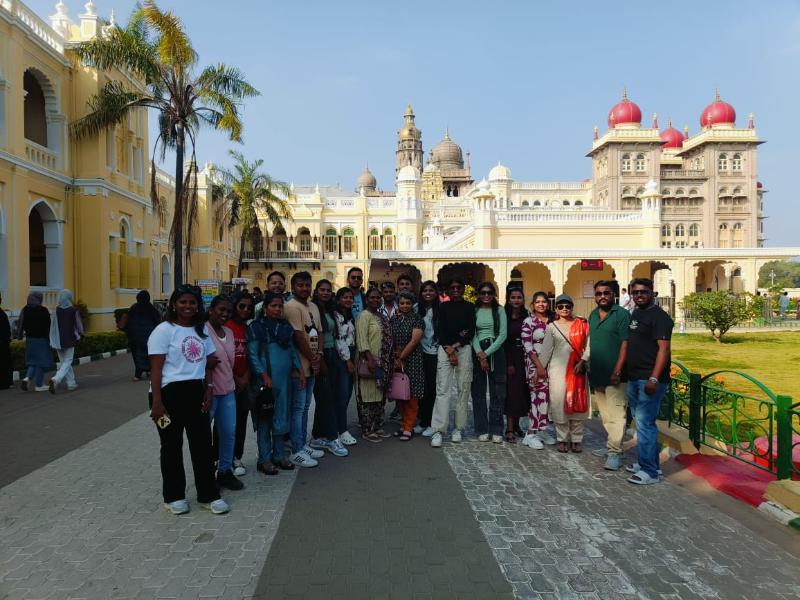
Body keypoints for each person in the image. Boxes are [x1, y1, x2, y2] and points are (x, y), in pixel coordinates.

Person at [148, 285, 229, 515]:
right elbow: (156, 368)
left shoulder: (201, 331)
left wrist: (209, 389)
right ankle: (173, 496)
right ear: (174, 304)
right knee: (171, 447)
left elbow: (211, 362)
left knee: (202, 445)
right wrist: (157, 401)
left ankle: (208, 494)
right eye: (183, 302)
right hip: (168, 393)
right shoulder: (164, 330)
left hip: (196, 391)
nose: (188, 306)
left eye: (192, 303)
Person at [247, 292, 303, 475]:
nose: (277, 309)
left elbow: (292, 351)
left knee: (281, 420)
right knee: (265, 421)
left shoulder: (285, 327)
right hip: (267, 384)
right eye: (273, 306)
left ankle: (279, 456)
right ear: (265, 308)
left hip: (285, 383)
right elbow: (253, 355)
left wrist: (300, 370)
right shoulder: (257, 328)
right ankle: (264, 459)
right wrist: (264, 376)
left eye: (280, 306)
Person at [625, 278, 673, 485]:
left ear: (652, 292)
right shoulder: (636, 312)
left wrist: (654, 377)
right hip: (634, 376)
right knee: (641, 421)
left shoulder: (659, 317)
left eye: (643, 292)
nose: (639, 295)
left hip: (650, 379)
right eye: (635, 292)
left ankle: (650, 472)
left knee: (645, 423)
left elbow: (663, 349)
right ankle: (649, 464)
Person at [587, 281, 631, 471]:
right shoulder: (593, 315)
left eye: (606, 293)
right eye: (599, 293)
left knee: (617, 415)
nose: (602, 296)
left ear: (613, 294)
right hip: (597, 373)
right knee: (605, 415)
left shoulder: (621, 314)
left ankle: (614, 453)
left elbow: (625, 344)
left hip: (616, 375)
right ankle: (611, 446)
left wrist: (618, 370)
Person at [538, 294, 589, 453]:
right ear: (556, 309)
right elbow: (546, 351)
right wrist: (540, 370)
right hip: (558, 372)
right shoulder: (552, 327)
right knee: (560, 404)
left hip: (578, 370)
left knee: (578, 403)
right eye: (561, 306)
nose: (565, 309)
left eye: (568, 306)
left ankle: (576, 439)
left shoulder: (582, 324)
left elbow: (589, 346)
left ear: (572, 307)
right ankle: (561, 438)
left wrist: (583, 361)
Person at [283, 271, 325, 467]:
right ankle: (296, 450)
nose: (304, 288)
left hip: (312, 364)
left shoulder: (313, 306)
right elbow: (299, 337)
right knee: (297, 409)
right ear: (293, 287)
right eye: (300, 285)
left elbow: (320, 332)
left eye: (307, 285)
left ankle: (302, 442)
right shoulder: (291, 307)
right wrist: (312, 358)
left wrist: (319, 356)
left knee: (306, 406)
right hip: (299, 367)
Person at [430, 278, 475, 448]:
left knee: (463, 389)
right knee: (442, 389)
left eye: (458, 287)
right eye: (452, 287)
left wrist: (456, 346)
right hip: (444, 349)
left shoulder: (469, 307)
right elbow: (440, 329)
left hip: (463, 349)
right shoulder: (443, 307)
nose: (455, 289)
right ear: (448, 290)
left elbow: (470, 329)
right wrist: (449, 349)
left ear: (463, 289)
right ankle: (439, 430)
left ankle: (458, 428)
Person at [205, 295, 244, 490]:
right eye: (221, 309)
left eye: (228, 311)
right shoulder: (202, 331)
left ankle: (225, 471)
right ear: (211, 309)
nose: (224, 314)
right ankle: (205, 474)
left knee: (228, 432)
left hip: (228, 390)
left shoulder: (228, 331)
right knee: (203, 435)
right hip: (208, 392)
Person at [308, 280, 349, 457]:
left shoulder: (330, 309)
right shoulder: (312, 309)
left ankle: (318, 435)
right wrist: (319, 358)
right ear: (316, 291)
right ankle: (333, 438)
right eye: (321, 290)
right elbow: (313, 336)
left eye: (328, 290)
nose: (325, 293)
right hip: (321, 356)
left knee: (328, 396)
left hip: (333, 354)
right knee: (326, 397)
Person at [472, 282, 508, 443]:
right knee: (478, 392)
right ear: (479, 294)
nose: (486, 296)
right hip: (478, 350)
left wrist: (486, 354)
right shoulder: (475, 310)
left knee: (497, 393)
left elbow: (502, 335)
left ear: (494, 294)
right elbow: (472, 334)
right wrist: (480, 355)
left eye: (489, 292)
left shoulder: (499, 310)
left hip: (495, 351)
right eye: (483, 292)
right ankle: (481, 428)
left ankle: (496, 429)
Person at [355, 287, 393, 442]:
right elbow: (362, 339)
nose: (376, 300)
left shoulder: (382, 316)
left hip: (383, 362)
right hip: (369, 360)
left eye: (378, 298)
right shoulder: (364, 316)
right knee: (367, 396)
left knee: (379, 397)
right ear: (366, 299)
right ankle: (367, 429)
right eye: (372, 297)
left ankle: (377, 427)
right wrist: (370, 359)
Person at [520, 291, 555, 449]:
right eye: (538, 302)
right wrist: (539, 366)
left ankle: (541, 430)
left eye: (544, 301)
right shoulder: (529, 321)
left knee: (546, 400)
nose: (541, 304)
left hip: (552, 366)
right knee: (536, 398)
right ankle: (530, 434)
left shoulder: (553, 320)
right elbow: (527, 346)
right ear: (533, 304)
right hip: (535, 366)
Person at [390, 291, 424, 440]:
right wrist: (395, 357)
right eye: (402, 303)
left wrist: (401, 357)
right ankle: (403, 425)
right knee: (400, 393)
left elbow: (414, 341)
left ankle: (409, 427)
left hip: (412, 360)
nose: (405, 305)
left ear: (413, 304)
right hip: (396, 358)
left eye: (408, 303)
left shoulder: (417, 319)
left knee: (412, 395)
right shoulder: (395, 319)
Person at [226, 292, 253, 476]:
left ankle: (236, 457)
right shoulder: (225, 327)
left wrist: (246, 377)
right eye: (242, 306)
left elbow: (253, 355)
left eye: (249, 307)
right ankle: (221, 459)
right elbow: (221, 358)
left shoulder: (247, 329)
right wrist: (236, 378)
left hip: (245, 382)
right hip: (227, 383)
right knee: (226, 424)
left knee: (241, 421)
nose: (245, 310)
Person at [503, 287, 529, 443]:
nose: (516, 300)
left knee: (521, 391)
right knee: (511, 393)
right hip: (510, 355)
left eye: (519, 297)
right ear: (508, 299)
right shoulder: (504, 316)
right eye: (513, 297)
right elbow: (504, 340)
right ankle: (509, 428)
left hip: (524, 356)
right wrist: (509, 362)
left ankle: (518, 425)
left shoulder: (526, 316)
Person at [333, 287, 358, 445]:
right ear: (338, 299)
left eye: (350, 297)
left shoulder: (349, 316)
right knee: (341, 395)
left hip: (352, 353)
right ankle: (341, 430)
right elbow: (338, 339)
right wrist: (348, 360)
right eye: (345, 297)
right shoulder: (336, 316)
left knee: (347, 393)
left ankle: (339, 426)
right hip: (342, 357)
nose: (348, 300)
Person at [48, 289, 84, 393]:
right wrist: (81, 333)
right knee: (67, 361)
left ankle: (71, 383)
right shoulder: (73, 310)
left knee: (64, 362)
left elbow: (53, 325)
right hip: (69, 338)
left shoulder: (56, 310)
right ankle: (56, 379)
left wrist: (52, 339)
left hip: (57, 340)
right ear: (69, 297)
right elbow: (79, 325)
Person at [120, 290, 161, 381]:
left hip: (135, 338)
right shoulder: (151, 308)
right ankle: (148, 370)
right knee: (148, 355)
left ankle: (137, 375)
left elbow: (128, 322)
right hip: (149, 337)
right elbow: (157, 321)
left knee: (137, 355)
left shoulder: (134, 308)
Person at [416, 281, 440, 436]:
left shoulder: (440, 310)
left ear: (436, 293)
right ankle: (423, 421)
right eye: (425, 290)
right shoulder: (416, 309)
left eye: (431, 290)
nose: (428, 293)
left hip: (435, 353)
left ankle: (432, 423)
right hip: (419, 353)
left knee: (433, 390)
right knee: (422, 389)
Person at [17, 291, 52, 392]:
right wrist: (50, 340)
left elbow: (20, 323)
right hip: (41, 339)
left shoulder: (25, 309)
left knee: (33, 361)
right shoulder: (44, 310)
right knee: (40, 362)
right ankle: (39, 385)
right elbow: (48, 326)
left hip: (30, 339)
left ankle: (27, 378)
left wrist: (19, 336)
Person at [0, 292, 12, 390]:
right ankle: (5, 382)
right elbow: (6, 330)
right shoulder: (2, 314)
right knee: (4, 363)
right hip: (2, 344)